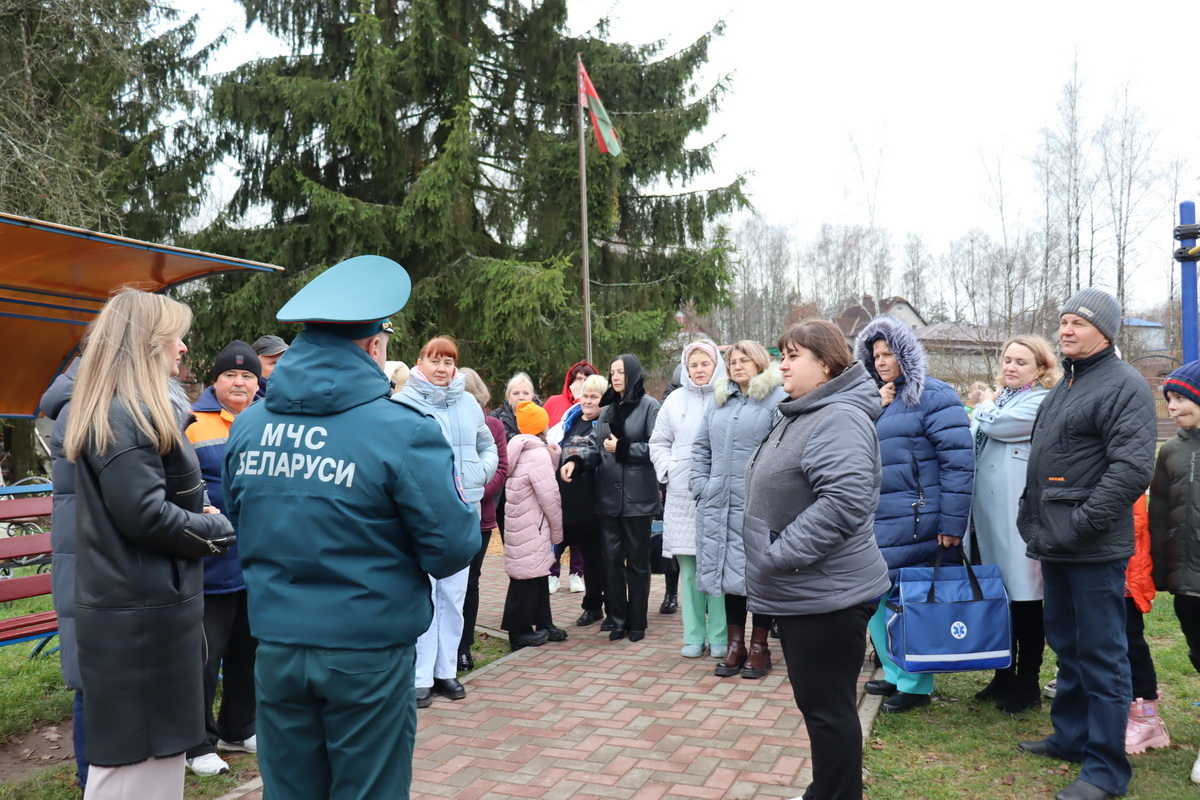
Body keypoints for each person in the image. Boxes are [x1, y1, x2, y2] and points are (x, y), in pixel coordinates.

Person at [223, 255, 479, 800]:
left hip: (278, 645)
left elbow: (244, 524)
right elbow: (452, 547)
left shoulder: (247, 428)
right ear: (374, 346)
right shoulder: (403, 430)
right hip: (367, 652)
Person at [64, 290, 235, 800]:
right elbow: (145, 514)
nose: (183, 348)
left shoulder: (130, 410)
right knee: (134, 768)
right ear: (145, 344)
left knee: (154, 762)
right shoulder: (126, 414)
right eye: (174, 338)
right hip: (140, 617)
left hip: (146, 609)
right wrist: (215, 529)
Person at [1016, 288, 1156, 800]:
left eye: (1078, 322)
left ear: (1106, 331)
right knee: (1069, 647)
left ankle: (1105, 769)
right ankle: (1071, 737)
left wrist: (1079, 525)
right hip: (1055, 543)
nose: (1066, 330)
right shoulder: (1067, 384)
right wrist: (1031, 518)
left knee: (1103, 657)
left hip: (1092, 547)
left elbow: (1131, 470)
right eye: (1064, 321)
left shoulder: (1124, 385)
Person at [744, 319, 890, 800]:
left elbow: (844, 502)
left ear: (826, 365)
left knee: (829, 712)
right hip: (805, 587)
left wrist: (780, 554)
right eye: (782, 355)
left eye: (793, 356)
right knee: (820, 709)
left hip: (826, 592)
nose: (782, 365)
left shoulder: (838, 417)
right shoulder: (806, 411)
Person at [854, 314, 974, 714]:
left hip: (918, 519)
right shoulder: (879, 399)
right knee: (876, 599)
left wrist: (952, 522)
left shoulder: (934, 395)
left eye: (888, 353)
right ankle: (893, 672)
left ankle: (916, 683)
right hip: (878, 518)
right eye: (875, 355)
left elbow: (959, 463)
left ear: (906, 354)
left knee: (911, 602)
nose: (881, 361)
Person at [397, 336, 499, 707]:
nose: (441, 368)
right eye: (434, 360)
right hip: (421, 515)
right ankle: (421, 676)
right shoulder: (402, 404)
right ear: (419, 362)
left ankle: (446, 671)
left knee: (454, 597)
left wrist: (476, 475)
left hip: (463, 512)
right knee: (424, 594)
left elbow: (488, 446)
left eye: (448, 361)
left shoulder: (468, 403)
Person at [968, 334, 1059, 713]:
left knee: (1026, 602)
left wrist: (983, 405)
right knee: (999, 600)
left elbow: (999, 426)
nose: (1011, 366)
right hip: (987, 519)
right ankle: (1003, 675)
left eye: (1021, 362)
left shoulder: (1040, 400)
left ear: (1040, 368)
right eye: (1007, 359)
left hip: (1018, 520)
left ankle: (1028, 683)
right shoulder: (1003, 399)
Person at [184, 341, 263, 776]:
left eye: (248, 375)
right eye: (230, 375)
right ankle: (197, 742)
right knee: (205, 656)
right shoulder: (192, 422)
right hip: (212, 564)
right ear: (215, 381)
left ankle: (239, 726)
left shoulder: (266, 419)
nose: (239, 382)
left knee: (247, 650)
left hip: (254, 561)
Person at [691, 340, 786, 679]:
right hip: (719, 503)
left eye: (744, 359)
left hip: (757, 503)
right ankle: (736, 645)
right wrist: (700, 485)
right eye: (732, 361)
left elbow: (782, 450)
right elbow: (700, 447)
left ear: (759, 362)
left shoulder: (776, 398)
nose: (738, 366)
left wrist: (769, 492)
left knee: (759, 574)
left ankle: (760, 646)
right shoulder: (719, 400)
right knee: (728, 574)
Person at [650, 340, 727, 659]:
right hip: (682, 497)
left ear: (716, 365)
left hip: (718, 492)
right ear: (685, 368)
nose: (699, 370)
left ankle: (720, 636)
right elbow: (658, 441)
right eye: (693, 365)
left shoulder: (727, 396)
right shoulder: (674, 400)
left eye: (705, 363)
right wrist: (669, 469)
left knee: (718, 568)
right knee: (690, 572)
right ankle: (694, 635)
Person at [1150, 360, 1200, 781]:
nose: (1172, 406)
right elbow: (1159, 513)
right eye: (1169, 399)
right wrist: (1160, 569)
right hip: (1187, 579)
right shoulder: (1171, 451)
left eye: (1180, 398)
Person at [40, 356, 88, 789]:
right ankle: (91, 777)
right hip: (90, 564)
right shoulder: (86, 409)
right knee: (91, 675)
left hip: (90, 560)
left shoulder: (94, 400)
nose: (182, 349)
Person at [594, 354, 661, 642]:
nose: (616, 377)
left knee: (637, 563)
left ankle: (637, 622)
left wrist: (623, 448)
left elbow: (657, 447)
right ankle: (618, 620)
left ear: (633, 374)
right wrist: (578, 462)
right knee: (611, 562)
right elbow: (597, 447)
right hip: (608, 498)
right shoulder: (607, 409)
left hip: (638, 498)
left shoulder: (649, 406)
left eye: (621, 372)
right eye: (612, 373)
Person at [501, 400, 567, 649]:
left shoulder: (519, 450)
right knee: (526, 579)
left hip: (521, 524)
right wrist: (557, 532)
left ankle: (544, 623)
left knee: (537, 574)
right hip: (534, 526)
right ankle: (518, 633)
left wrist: (553, 458)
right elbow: (550, 497)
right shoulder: (537, 455)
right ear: (542, 426)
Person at [457, 367, 509, 672]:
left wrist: (473, 493)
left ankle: (464, 648)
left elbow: (501, 469)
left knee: (470, 581)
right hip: (446, 515)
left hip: (480, 518)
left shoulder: (492, 426)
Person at [558, 374, 610, 627]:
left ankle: (595, 606)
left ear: (604, 400)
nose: (587, 401)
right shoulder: (572, 421)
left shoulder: (605, 426)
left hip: (593, 503)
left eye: (594, 397)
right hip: (567, 502)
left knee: (594, 559)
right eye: (585, 396)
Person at [544, 361, 598, 427]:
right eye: (579, 378)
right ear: (571, 381)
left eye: (586, 380)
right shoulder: (553, 401)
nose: (583, 383)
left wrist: (578, 400)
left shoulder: (597, 403)